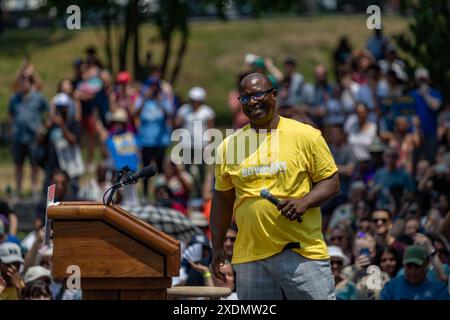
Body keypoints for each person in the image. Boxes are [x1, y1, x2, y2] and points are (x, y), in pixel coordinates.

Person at [211, 73, 340, 300]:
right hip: (251, 257)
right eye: (246, 98)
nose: (253, 102)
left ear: (274, 95)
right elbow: (222, 200)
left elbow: (331, 181)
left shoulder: (305, 135)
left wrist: (305, 201)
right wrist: (217, 247)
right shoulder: (228, 146)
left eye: (259, 94)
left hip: (301, 253)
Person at [8, 75, 49, 198]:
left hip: (33, 138)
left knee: (34, 165)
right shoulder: (14, 99)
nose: (22, 85)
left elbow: (48, 111)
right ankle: (18, 190)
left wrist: (43, 128)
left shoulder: (38, 98)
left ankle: (34, 190)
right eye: (21, 83)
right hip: (18, 137)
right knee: (18, 165)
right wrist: (11, 130)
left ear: (30, 84)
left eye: (25, 82)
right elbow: (10, 114)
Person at [134, 77, 173, 198]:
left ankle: (160, 193)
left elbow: (170, 113)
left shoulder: (164, 100)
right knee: (146, 169)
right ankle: (145, 194)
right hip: (146, 141)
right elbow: (134, 113)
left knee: (160, 169)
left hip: (160, 142)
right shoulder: (142, 100)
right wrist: (145, 97)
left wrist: (161, 100)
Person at [175, 86, 215, 196]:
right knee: (186, 169)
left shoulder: (207, 111)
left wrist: (209, 145)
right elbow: (177, 123)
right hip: (187, 144)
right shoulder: (184, 110)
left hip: (200, 145)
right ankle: (188, 193)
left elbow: (210, 129)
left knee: (201, 169)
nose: (193, 102)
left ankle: (201, 192)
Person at [380, 245, 449, 300]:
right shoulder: (391, 288)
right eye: (409, 267)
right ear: (403, 265)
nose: (412, 272)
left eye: (417, 267)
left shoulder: (438, 290)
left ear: (426, 265)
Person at [410, 67, 443, 163]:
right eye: (420, 79)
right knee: (415, 160)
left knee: (431, 160)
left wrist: (425, 95)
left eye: (424, 79)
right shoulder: (411, 95)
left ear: (428, 79)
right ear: (416, 80)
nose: (422, 82)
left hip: (431, 133)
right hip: (416, 134)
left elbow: (436, 106)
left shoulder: (435, 93)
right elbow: (408, 113)